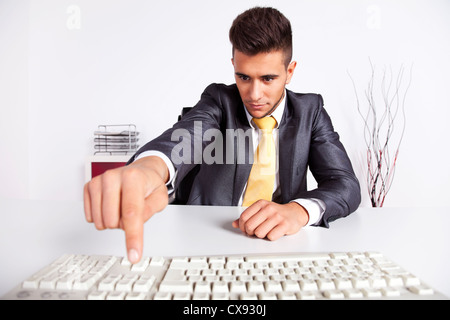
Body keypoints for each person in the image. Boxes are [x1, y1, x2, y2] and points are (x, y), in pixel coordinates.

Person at [84, 7, 361, 264]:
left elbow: (345, 184)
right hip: (206, 242)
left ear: (289, 72)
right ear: (233, 66)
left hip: (281, 247)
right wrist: (149, 168)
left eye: (267, 79)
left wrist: (298, 211)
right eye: (243, 77)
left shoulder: (310, 111)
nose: (254, 95)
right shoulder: (219, 100)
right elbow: (187, 137)